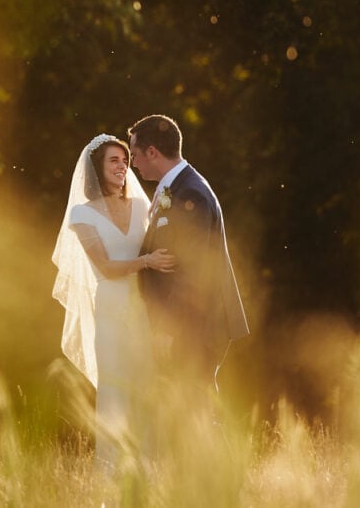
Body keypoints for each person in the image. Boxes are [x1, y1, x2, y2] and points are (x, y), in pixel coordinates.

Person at [52, 133, 176, 464]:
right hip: (109, 308)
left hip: (141, 307)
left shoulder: (142, 206)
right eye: (113, 160)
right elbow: (105, 266)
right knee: (115, 392)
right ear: (97, 168)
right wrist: (146, 262)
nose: (122, 166)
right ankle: (110, 475)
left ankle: (147, 470)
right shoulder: (82, 214)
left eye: (125, 160)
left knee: (145, 387)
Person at [128, 114, 249, 392]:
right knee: (191, 412)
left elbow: (193, 270)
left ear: (152, 152)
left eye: (135, 155)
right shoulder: (176, 187)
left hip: (195, 324)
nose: (133, 164)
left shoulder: (190, 194)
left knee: (196, 409)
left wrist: (169, 328)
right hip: (190, 322)